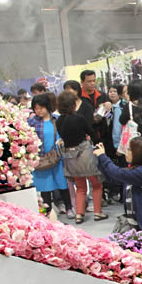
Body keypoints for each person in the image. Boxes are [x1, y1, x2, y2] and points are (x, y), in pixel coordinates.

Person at [94, 137, 142, 247]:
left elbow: (117, 173)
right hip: (134, 226)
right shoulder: (133, 170)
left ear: (139, 153)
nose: (126, 152)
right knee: (113, 251)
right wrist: (101, 159)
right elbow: (112, 178)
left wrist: (102, 156)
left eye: (129, 149)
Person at [56, 90, 106, 224]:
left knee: (80, 186)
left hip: (70, 156)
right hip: (84, 153)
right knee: (96, 184)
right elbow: (92, 133)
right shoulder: (79, 118)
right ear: (73, 104)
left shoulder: (59, 121)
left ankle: (79, 214)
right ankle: (97, 212)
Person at [28, 93, 72, 217]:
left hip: (57, 157)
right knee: (44, 186)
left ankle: (69, 207)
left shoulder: (57, 119)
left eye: (40, 108)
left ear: (47, 106)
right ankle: (48, 212)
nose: (38, 111)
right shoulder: (32, 121)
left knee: (62, 183)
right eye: (35, 108)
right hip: (41, 159)